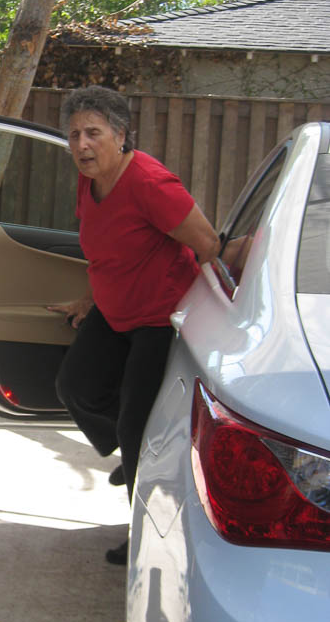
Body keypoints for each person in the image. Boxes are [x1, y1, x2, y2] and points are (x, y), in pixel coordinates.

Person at [49, 86, 219, 566]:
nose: (82, 144)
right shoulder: (89, 181)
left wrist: (219, 314)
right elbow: (106, 247)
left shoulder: (150, 183)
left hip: (158, 317)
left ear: (121, 136)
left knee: (136, 422)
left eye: (94, 133)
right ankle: (132, 452)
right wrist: (88, 296)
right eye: (75, 134)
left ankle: (146, 537)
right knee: (75, 387)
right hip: (113, 307)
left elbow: (207, 243)